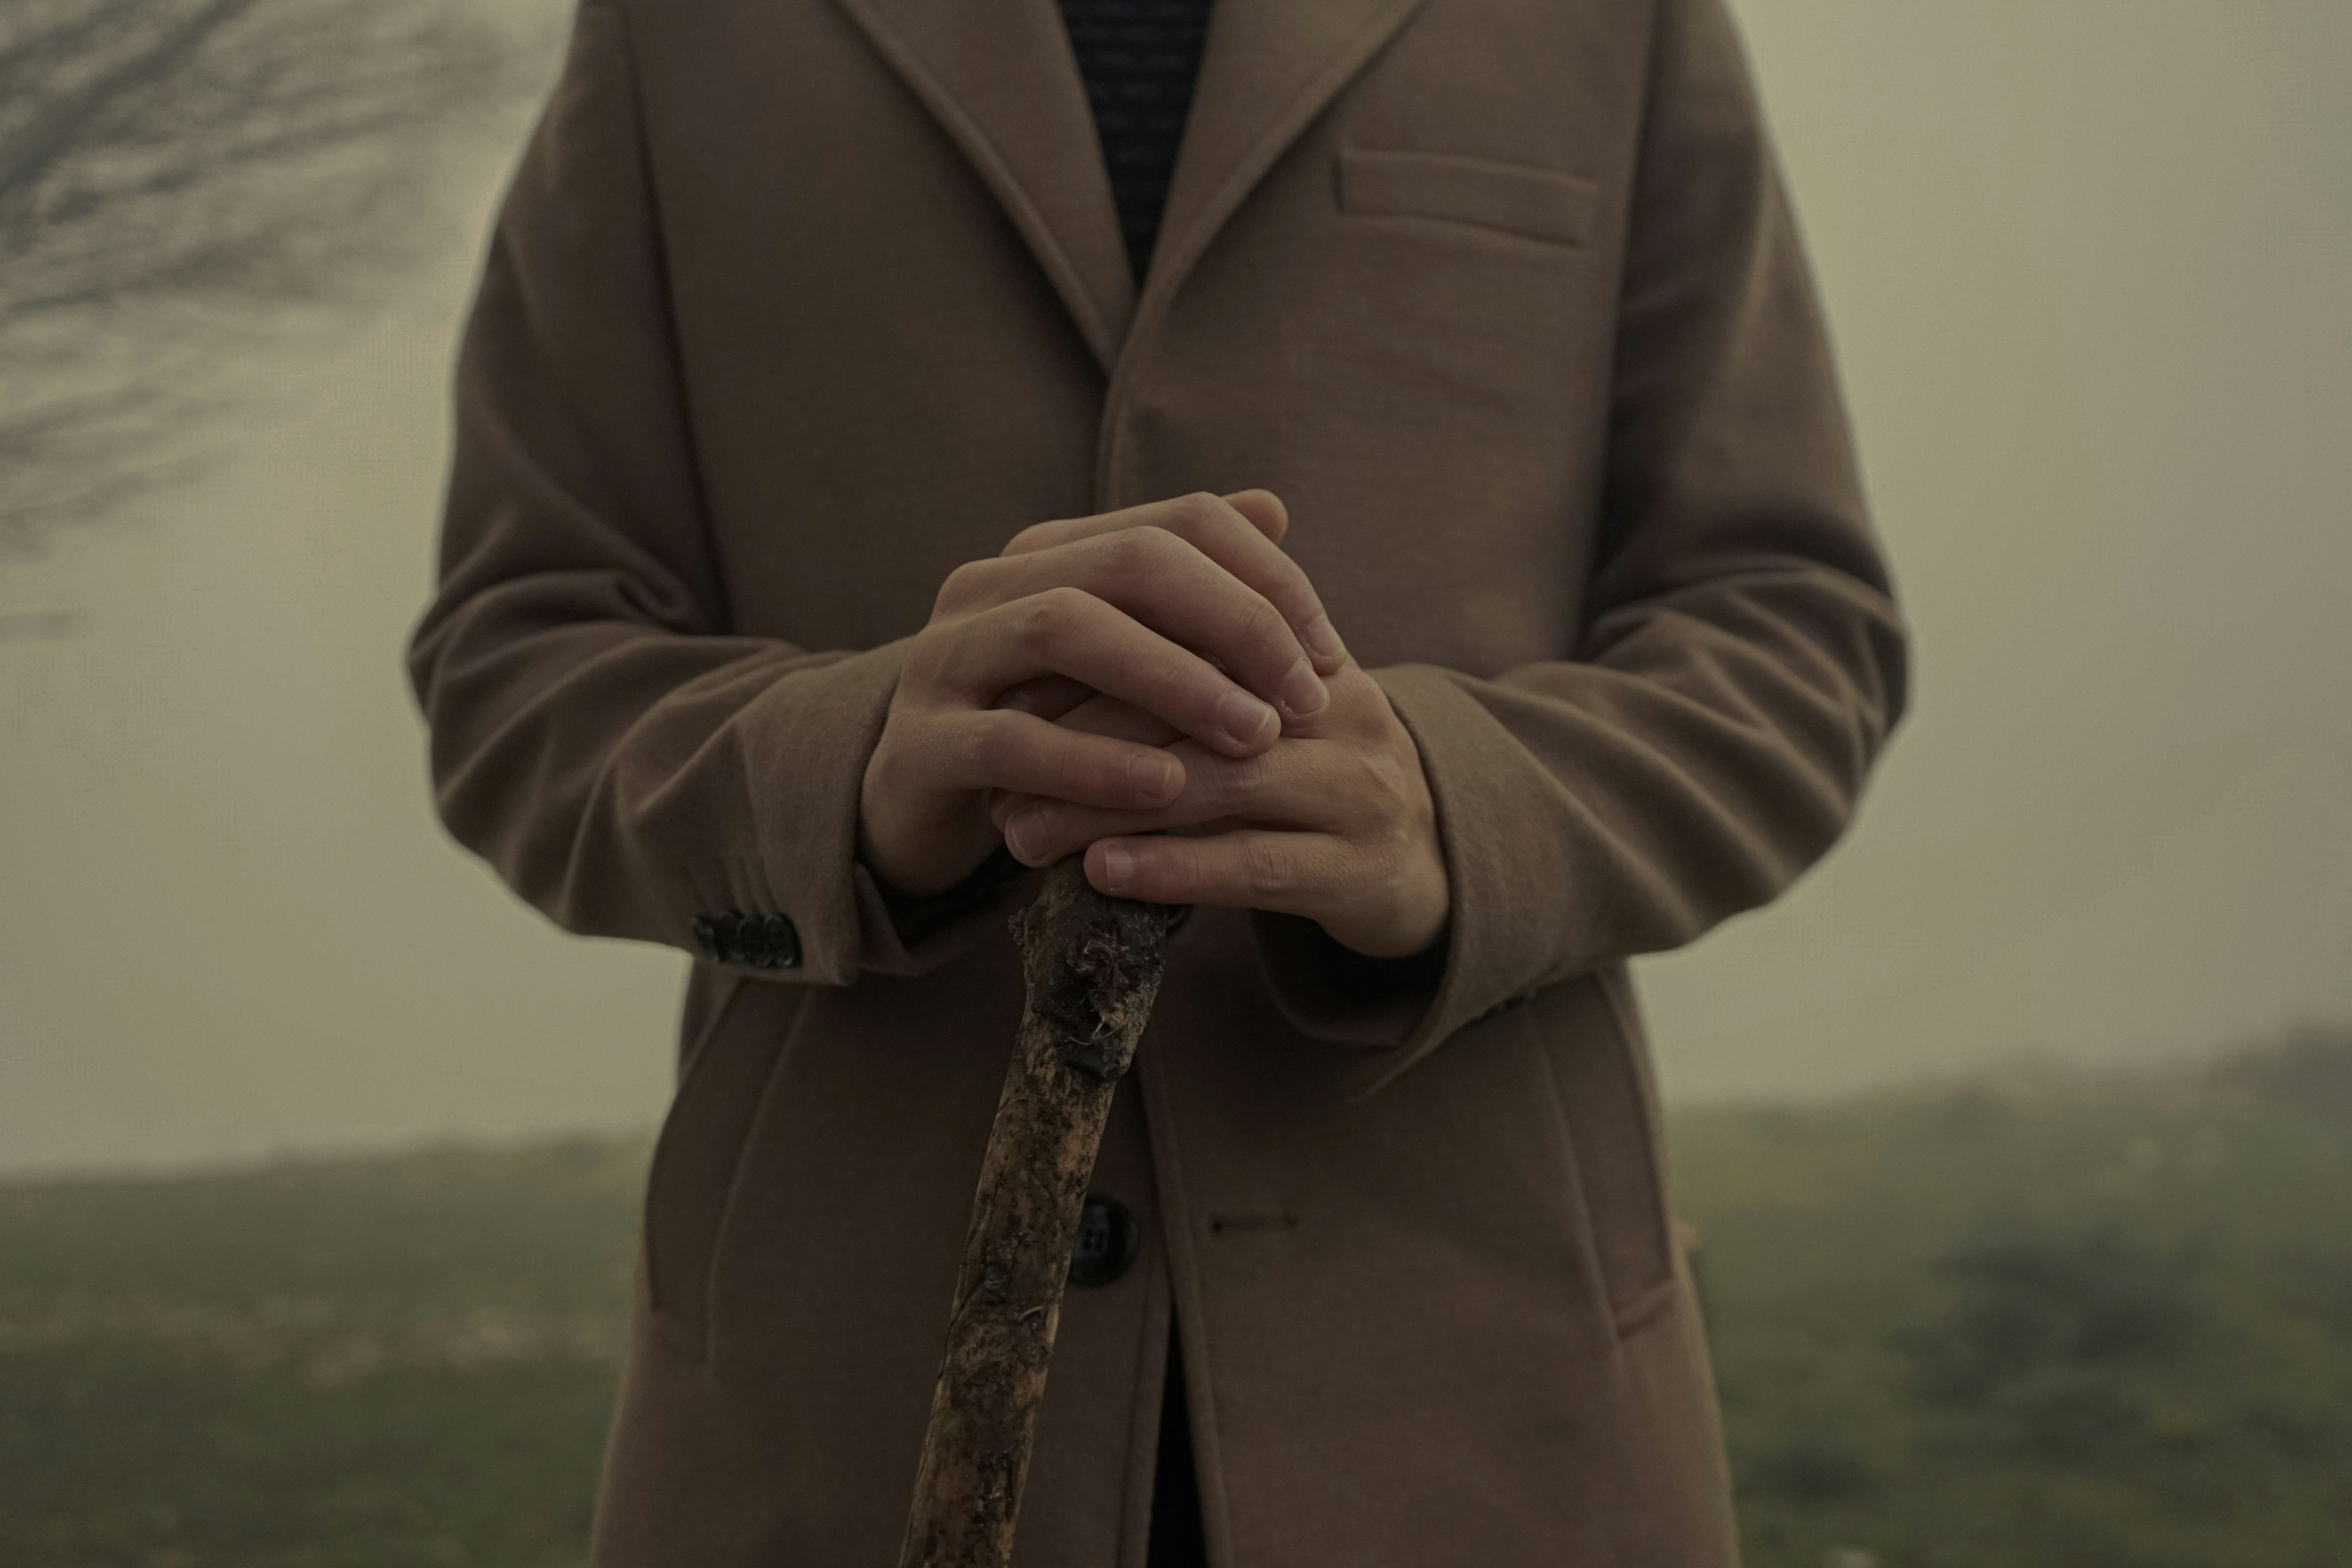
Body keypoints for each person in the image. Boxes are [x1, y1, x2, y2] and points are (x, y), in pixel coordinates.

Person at [405, 0, 1909, 1558]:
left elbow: (1791, 637)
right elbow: (517, 662)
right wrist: (844, 767)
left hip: (1489, 1381)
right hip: (840, 1392)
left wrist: (1462, 811)